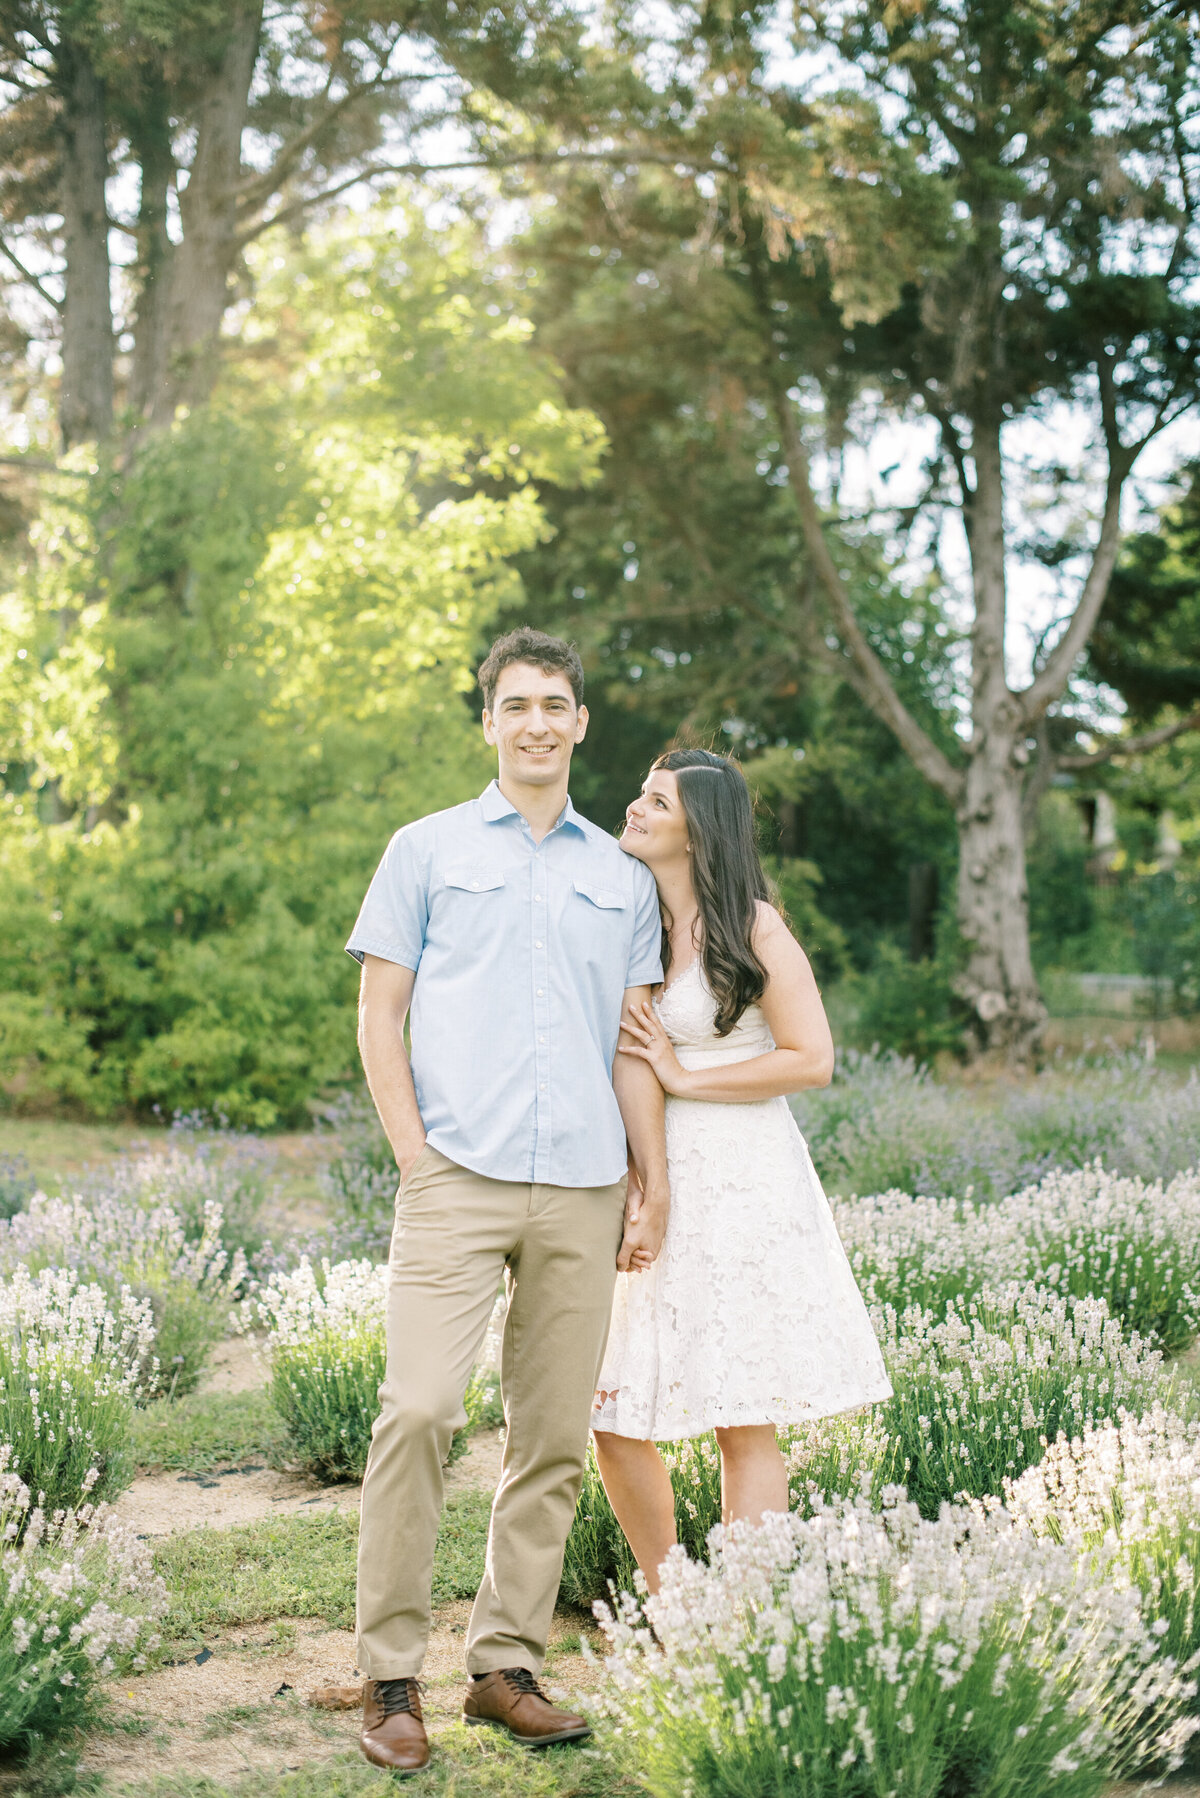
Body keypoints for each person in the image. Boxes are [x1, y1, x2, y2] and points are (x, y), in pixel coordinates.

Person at [345, 628, 670, 1775]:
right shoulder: (423, 851)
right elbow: (381, 1013)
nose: (537, 720)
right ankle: (390, 1674)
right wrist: (413, 1155)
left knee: (549, 1439)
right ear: (487, 722)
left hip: (584, 1186)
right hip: (458, 1181)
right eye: (516, 703)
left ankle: (504, 1665)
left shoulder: (621, 877)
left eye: (557, 702)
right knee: (420, 1409)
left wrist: (649, 1180)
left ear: (582, 723)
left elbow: (635, 1046)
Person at [591, 747, 892, 1589]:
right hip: (655, 1171)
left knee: (742, 1414)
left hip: (747, 1179)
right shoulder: (630, 919)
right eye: (642, 793)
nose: (636, 809)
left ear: (698, 833)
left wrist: (689, 1075)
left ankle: (742, 1618)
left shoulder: (753, 924)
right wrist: (642, 1177)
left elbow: (812, 1058)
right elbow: (627, 1058)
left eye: (657, 802)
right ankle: (672, 1598)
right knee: (613, 1409)